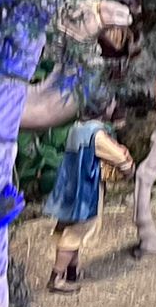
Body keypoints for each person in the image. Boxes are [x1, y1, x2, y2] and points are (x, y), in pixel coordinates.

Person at [45, 100, 134, 291]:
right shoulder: (96, 133)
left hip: (69, 186)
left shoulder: (77, 128)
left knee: (71, 228)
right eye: (110, 104)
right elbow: (118, 157)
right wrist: (128, 169)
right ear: (103, 108)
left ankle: (72, 272)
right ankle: (56, 277)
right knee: (77, 230)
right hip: (85, 190)